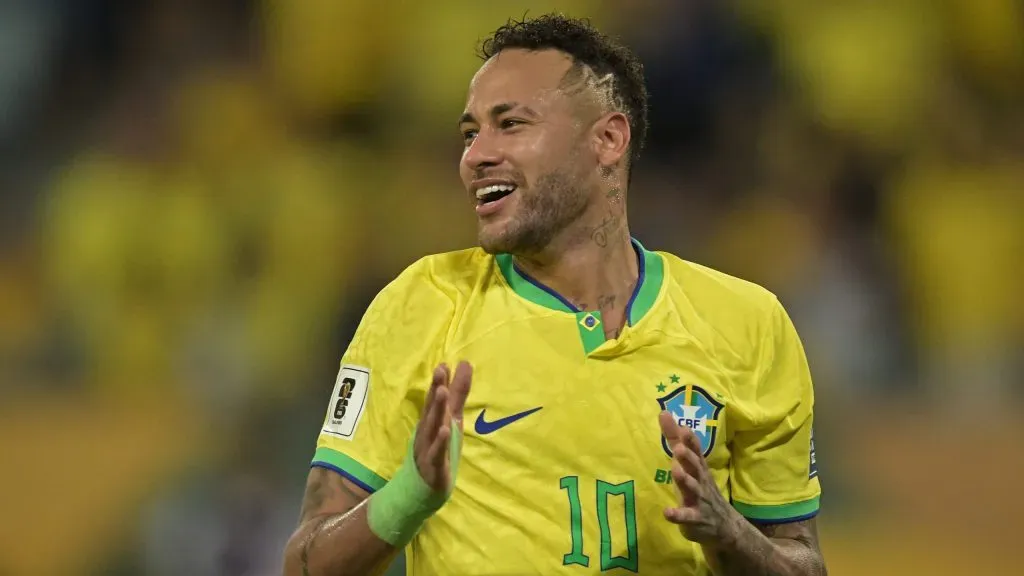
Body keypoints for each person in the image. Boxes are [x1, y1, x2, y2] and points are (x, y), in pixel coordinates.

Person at [282, 14, 826, 576]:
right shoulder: (423, 304)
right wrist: (408, 496)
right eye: (471, 134)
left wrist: (730, 534)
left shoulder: (748, 324)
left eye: (510, 124)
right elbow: (304, 563)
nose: (475, 156)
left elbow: (802, 562)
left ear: (608, 140)